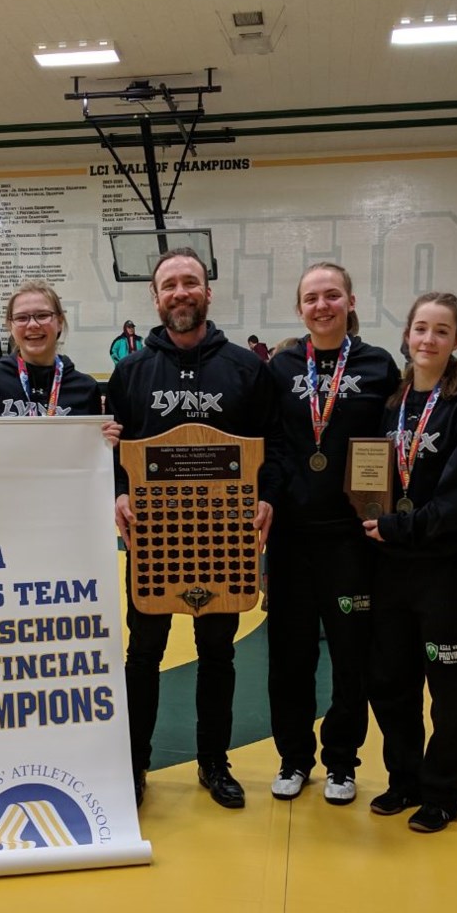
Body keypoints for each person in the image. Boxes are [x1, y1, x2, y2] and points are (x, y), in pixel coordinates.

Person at [107, 247, 281, 810]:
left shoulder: (245, 368)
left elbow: (271, 447)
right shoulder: (132, 370)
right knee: (143, 655)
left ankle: (213, 763)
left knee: (218, 655)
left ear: (207, 291)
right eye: (169, 285)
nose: (180, 293)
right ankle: (133, 765)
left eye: (190, 282)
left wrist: (268, 498)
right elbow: (114, 450)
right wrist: (117, 493)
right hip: (155, 537)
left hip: (223, 536)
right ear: (154, 298)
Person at [265, 263, 401, 806]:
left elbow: (400, 434)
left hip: (352, 538)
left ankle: (342, 760)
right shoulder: (280, 367)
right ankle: (293, 757)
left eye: (331, 296)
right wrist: (269, 497)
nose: (322, 305)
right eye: (311, 298)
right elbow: (270, 443)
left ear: (350, 300)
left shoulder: (377, 365)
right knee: (290, 655)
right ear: (300, 308)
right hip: (293, 537)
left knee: (351, 656)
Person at [362, 293, 457, 832]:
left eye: (441, 331)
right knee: (391, 682)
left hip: (447, 570)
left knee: (451, 689)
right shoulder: (392, 403)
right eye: (420, 328)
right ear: (407, 334)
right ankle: (404, 780)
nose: (428, 339)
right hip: (393, 570)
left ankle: (442, 793)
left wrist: (399, 526)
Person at [0, 281, 104, 418]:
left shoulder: (86, 388)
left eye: (42, 315)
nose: (32, 324)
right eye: (21, 318)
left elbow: (95, 439)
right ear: (10, 326)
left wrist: (108, 438)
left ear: (60, 322)